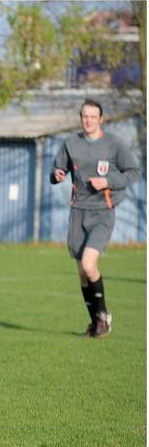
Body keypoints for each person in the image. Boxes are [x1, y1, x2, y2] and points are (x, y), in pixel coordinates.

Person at [50, 99, 140, 338]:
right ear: (81, 118)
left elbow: (134, 172)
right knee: (82, 272)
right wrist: (57, 175)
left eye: (93, 116)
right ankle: (95, 323)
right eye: (84, 116)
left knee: (90, 265)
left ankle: (103, 317)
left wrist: (108, 181)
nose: (88, 120)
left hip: (102, 212)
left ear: (101, 119)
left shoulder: (114, 144)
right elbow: (57, 169)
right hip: (78, 212)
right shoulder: (71, 143)